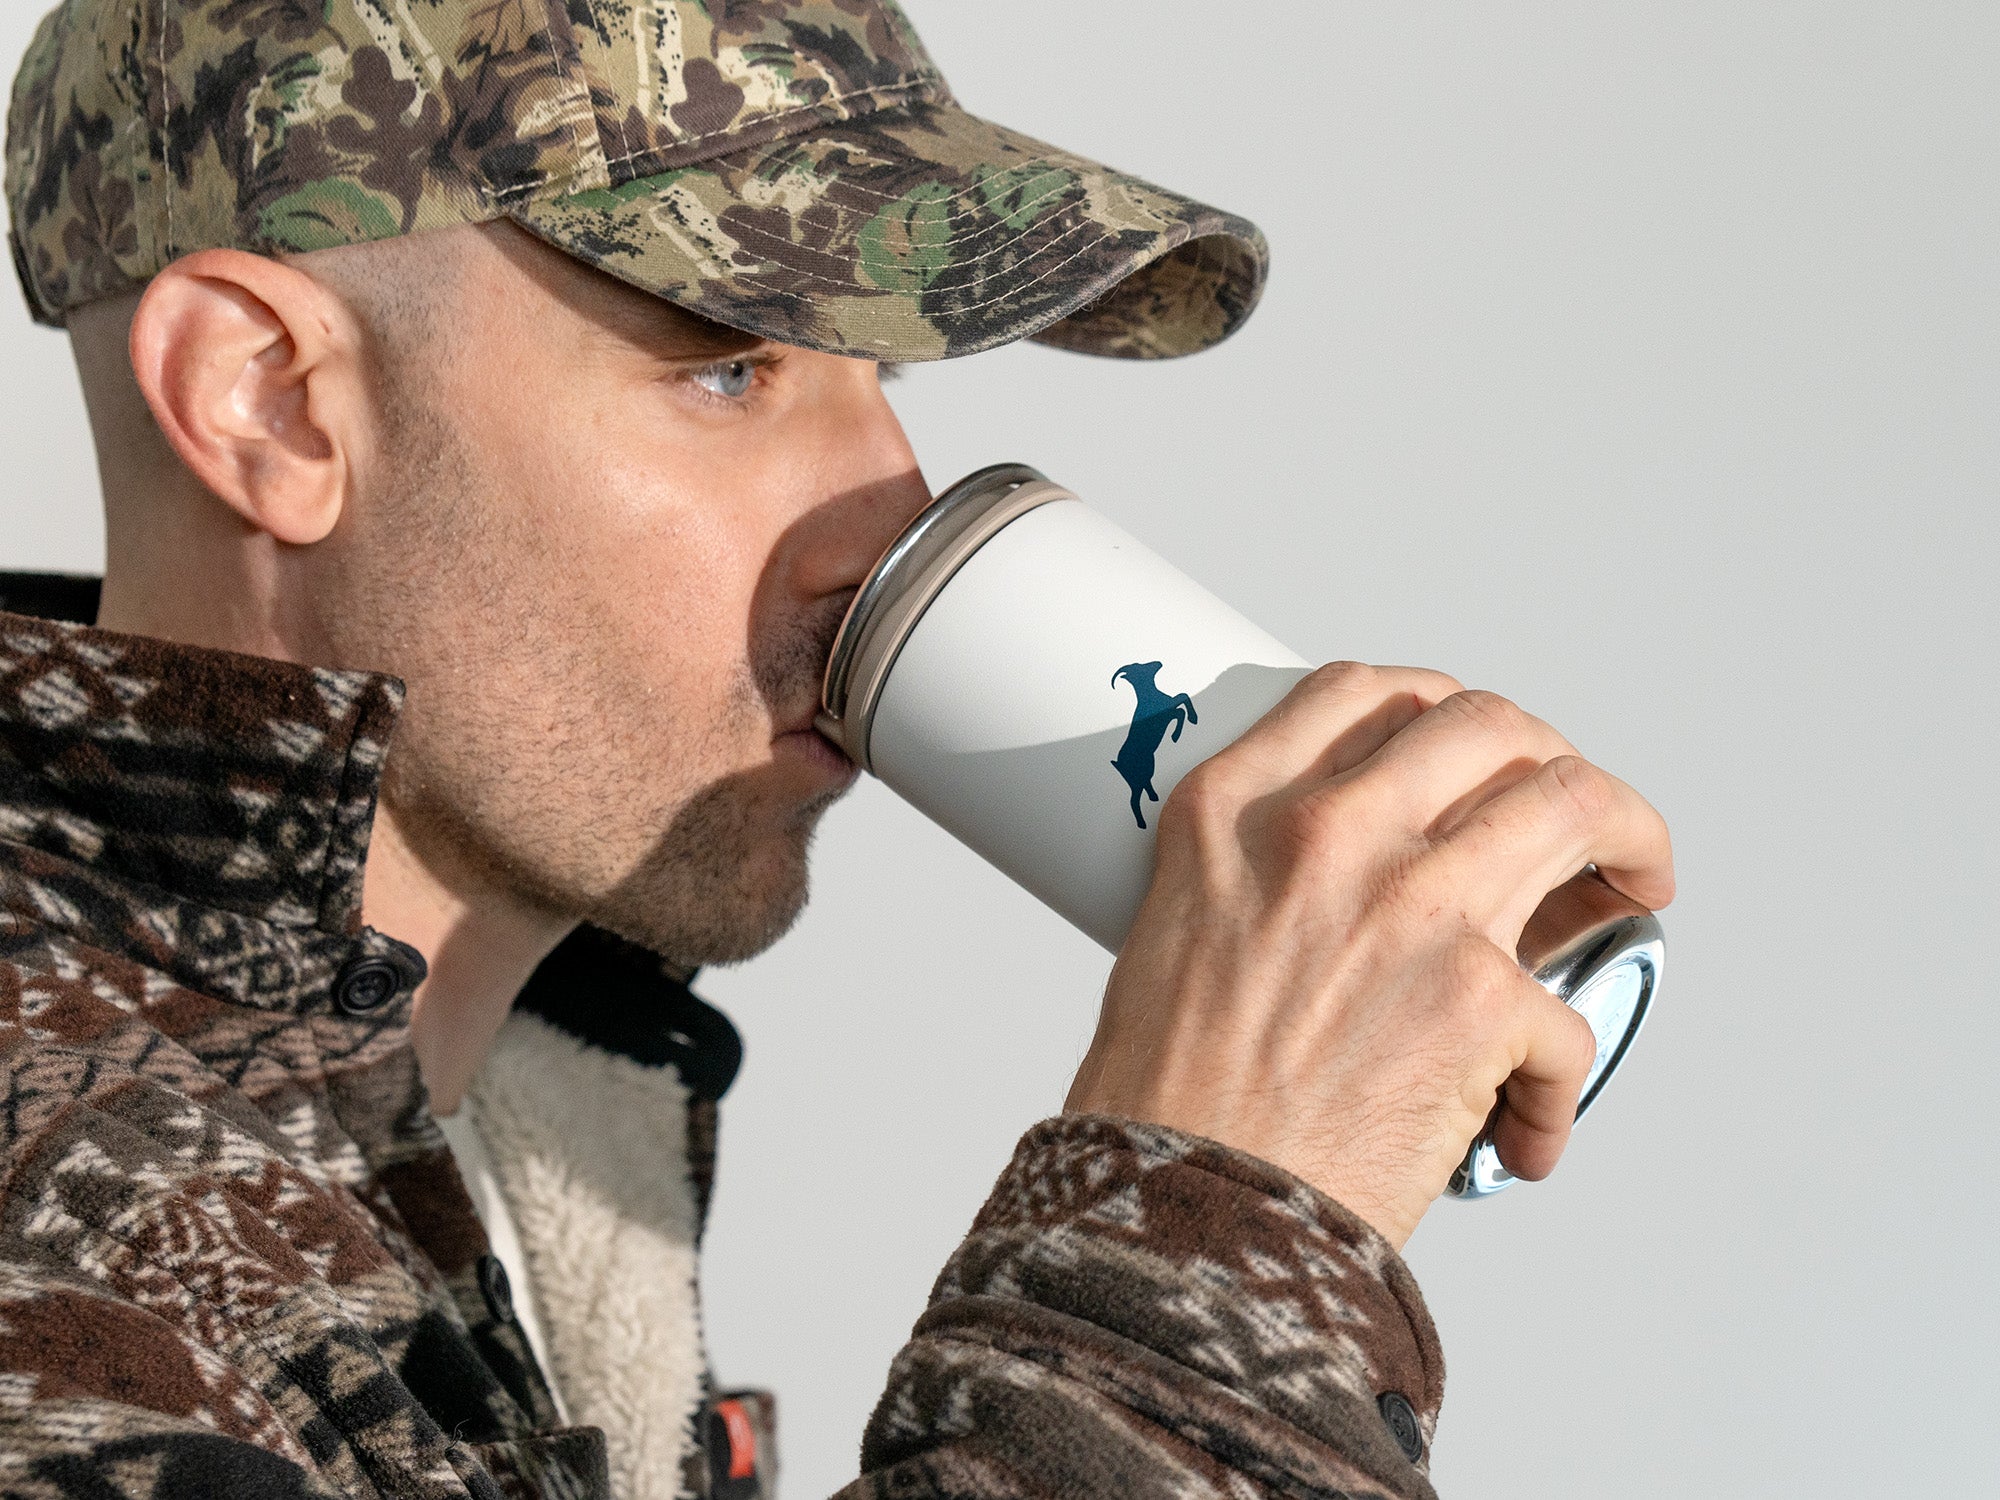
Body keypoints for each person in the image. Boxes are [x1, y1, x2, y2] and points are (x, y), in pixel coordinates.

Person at [0, 1, 1673, 1497]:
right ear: (267, 403)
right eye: (731, 370)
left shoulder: (505, 1143)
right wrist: (1209, 1246)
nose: (889, 516)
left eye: (877, 373)